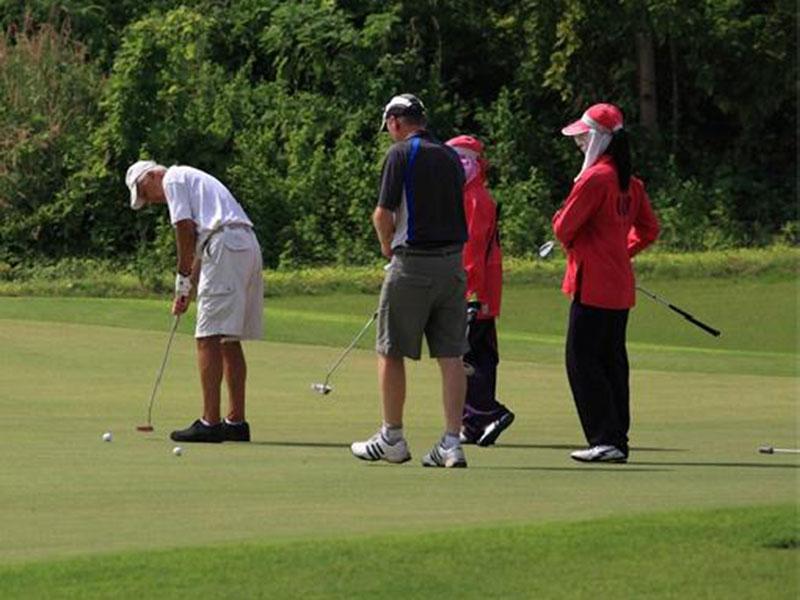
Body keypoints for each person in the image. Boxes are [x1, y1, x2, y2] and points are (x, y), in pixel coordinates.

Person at [350, 93, 470, 468]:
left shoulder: (400, 153)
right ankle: (452, 442)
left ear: (397, 121)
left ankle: (392, 437)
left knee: (390, 349)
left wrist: (387, 247)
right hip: (452, 265)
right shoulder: (451, 155)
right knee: (451, 355)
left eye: (388, 124)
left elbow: (382, 214)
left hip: (413, 263)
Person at [125, 160, 263, 443]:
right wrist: (186, 290)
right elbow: (200, 247)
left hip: (226, 246)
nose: (150, 201)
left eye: (144, 192)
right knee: (228, 339)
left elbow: (184, 232)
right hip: (243, 245)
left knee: (207, 337)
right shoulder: (192, 182)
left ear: (151, 175)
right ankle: (236, 423)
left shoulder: (173, 179)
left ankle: (210, 423)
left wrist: (181, 277)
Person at [553, 103, 660, 463]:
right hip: (617, 284)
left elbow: (563, 227)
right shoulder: (630, 182)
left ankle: (604, 437)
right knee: (612, 361)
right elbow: (648, 230)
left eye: (584, 137)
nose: (580, 143)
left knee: (581, 360)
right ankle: (616, 438)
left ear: (599, 139)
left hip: (593, 284)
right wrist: (620, 252)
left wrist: (607, 251)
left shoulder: (596, 179)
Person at [445, 135, 515, 446]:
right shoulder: (473, 196)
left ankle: (488, 412)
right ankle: (473, 423)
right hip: (482, 290)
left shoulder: (474, 199)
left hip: (474, 291)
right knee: (481, 356)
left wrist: (469, 296)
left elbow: (471, 251)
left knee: (465, 356)